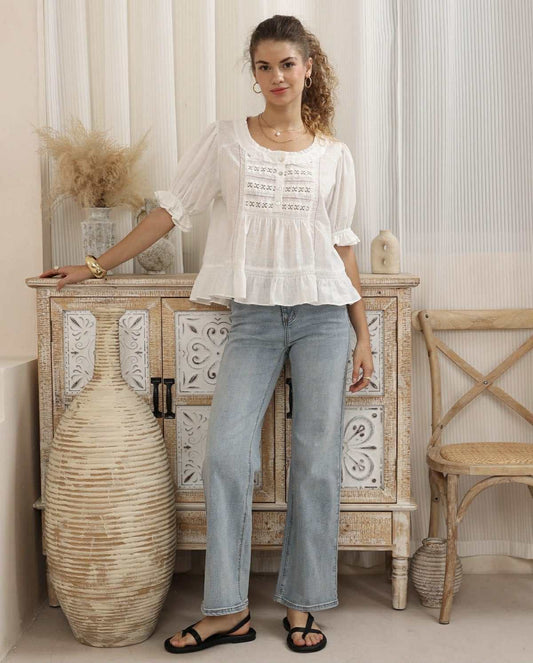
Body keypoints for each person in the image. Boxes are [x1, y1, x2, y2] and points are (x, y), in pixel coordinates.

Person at [39, 13, 373, 655]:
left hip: (323, 318)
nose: (276, 76)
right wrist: (95, 265)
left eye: (287, 64)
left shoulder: (334, 154)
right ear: (255, 74)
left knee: (316, 462)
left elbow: (342, 247)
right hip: (253, 318)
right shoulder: (226, 141)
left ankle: (303, 603)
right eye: (264, 66)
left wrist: (361, 334)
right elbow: (170, 212)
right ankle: (228, 610)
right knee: (224, 455)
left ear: (308, 68)